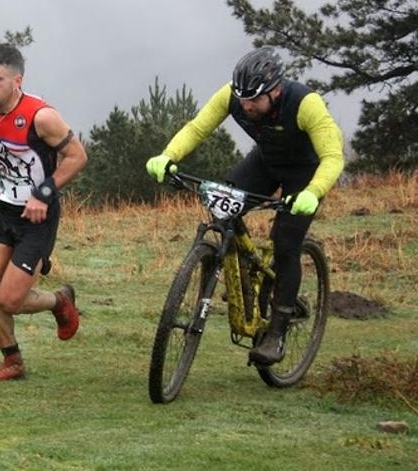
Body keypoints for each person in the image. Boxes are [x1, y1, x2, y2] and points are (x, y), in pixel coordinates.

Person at [146, 46, 344, 365]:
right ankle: (240, 274)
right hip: (265, 163)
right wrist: (168, 156)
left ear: (275, 90)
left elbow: (333, 157)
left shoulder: (306, 104)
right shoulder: (233, 96)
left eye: (254, 100)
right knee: (222, 208)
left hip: (305, 172)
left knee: (285, 242)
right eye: (242, 99)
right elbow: (198, 128)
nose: (246, 106)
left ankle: (276, 334)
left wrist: (313, 192)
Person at [0, 44, 88, 381]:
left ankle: (60, 301)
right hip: (1, 210)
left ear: (17, 80)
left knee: (9, 300)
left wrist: (43, 193)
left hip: (36, 219)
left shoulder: (41, 117)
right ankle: (12, 361)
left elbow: (77, 157)